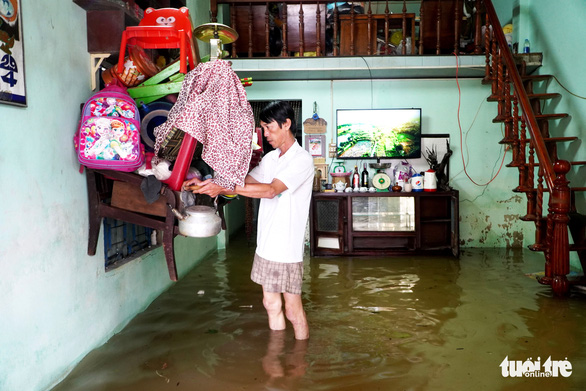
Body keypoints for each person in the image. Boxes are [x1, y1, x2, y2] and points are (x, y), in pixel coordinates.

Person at [183, 101, 314, 340]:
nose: (265, 134)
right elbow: (246, 182)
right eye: (262, 128)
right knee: (270, 304)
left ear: (286, 124)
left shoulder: (301, 160)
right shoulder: (272, 158)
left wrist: (226, 186)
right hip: (266, 246)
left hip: (285, 248)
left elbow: (271, 190)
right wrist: (208, 183)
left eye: (269, 127)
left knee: (293, 310)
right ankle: (277, 358)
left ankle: (298, 364)